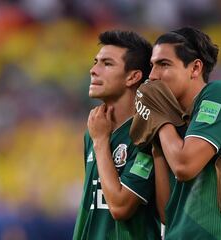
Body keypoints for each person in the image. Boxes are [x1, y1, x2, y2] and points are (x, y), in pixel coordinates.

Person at [149, 27, 221, 239]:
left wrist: (159, 117)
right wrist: (157, 143)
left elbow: (184, 166)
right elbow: (167, 213)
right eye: (151, 66)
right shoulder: (171, 125)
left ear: (195, 68)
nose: (152, 76)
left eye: (164, 64)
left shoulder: (219, 93)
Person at [73, 30, 160, 240]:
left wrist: (101, 143)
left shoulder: (147, 134)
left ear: (133, 76)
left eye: (107, 64)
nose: (93, 70)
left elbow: (121, 207)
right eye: (96, 62)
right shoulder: (95, 130)